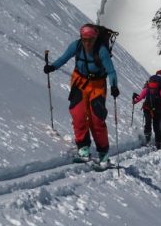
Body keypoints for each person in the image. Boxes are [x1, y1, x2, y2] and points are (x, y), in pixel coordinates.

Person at [44, 24, 119, 166]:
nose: (86, 42)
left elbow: (111, 71)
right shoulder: (76, 46)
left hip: (97, 86)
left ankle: (103, 154)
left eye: (89, 40)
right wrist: (52, 67)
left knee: (96, 119)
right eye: (84, 39)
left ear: (95, 38)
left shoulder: (101, 51)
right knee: (78, 114)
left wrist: (114, 86)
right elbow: (64, 58)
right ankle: (83, 148)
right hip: (79, 82)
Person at [132, 73, 161, 149]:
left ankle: (147, 139)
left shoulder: (147, 88)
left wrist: (134, 101)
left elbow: (140, 97)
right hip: (158, 110)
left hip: (147, 108)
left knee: (147, 123)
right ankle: (158, 143)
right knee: (157, 127)